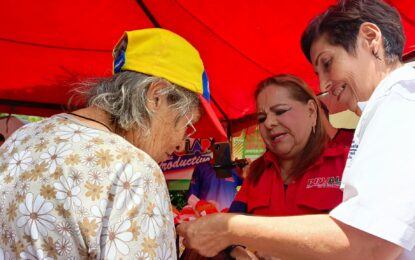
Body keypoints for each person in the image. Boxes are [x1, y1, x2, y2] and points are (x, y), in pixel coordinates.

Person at [177, 0, 415, 259]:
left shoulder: (401, 102)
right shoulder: (390, 107)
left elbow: (370, 243)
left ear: (370, 38)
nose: (324, 83)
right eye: (261, 117)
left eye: (327, 62)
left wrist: (232, 228)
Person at [0, 28, 226, 259]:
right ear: (156, 96)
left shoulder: (20, 139)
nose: (182, 141)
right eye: (187, 123)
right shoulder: (133, 171)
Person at [226, 74, 349, 258]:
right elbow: (231, 228)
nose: (268, 123)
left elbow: (364, 244)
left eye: (281, 111)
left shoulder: (347, 164)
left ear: (311, 111)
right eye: (261, 118)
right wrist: (237, 251)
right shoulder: (257, 172)